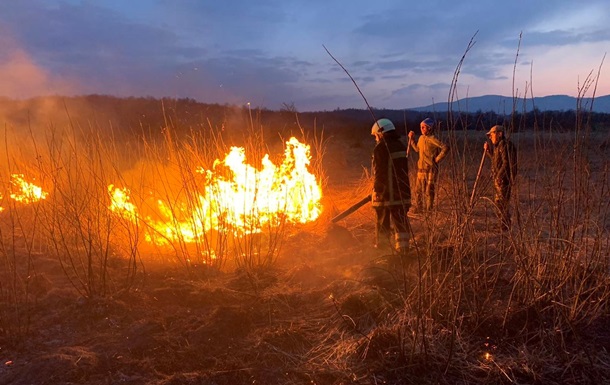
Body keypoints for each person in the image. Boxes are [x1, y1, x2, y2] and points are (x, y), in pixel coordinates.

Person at [370, 118, 411, 255]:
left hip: (386, 194)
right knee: (400, 221)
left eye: (376, 135)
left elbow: (379, 172)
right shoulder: (400, 145)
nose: (376, 138)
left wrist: (377, 189)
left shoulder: (381, 148)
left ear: (381, 133)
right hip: (403, 192)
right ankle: (403, 250)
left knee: (382, 221)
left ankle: (383, 250)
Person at [408, 118, 449, 212]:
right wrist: (412, 140)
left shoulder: (433, 139)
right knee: (418, 190)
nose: (421, 129)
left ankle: (429, 209)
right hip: (420, 169)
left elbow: (445, 147)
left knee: (428, 190)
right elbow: (417, 149)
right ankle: (419, 208)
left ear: (429, 128)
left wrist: (437, 159)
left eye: (423, 127)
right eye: (421, 127)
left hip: (431, 169)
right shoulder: (421, 138)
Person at [484, 125, 517, 231]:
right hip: (500, 179)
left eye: (491, 134)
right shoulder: (499, 146)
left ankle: (504, 226)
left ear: (499, 134)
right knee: (499, 203)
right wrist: (489, 152)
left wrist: (499, 176)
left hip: (504, 180)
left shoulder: (504, 145)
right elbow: (496, 161)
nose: (490, 137)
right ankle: (503, 225)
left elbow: (506, 163)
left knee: (502, 203)